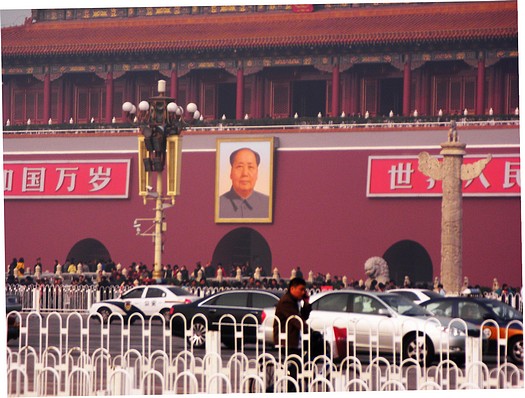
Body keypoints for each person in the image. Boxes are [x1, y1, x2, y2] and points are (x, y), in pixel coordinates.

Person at [273, 277, 321, 392]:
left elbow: (302, 317)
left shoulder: (295, 301)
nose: (303, 292)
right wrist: (311, 331)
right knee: (296, 366)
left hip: (295, 338)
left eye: (304, 289)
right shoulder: (286, 301)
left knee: (302, 363)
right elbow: (296, 320)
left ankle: (300, 385)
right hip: (287, 339)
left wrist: (307, 302)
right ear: (292, 288)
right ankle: (291, 390)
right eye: (301, 289)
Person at [219, 147, 269, 218]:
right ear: (231, 172)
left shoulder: (268, 204)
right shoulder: (217, 205)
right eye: (239, 167)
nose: (245, 173)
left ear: (257, 173)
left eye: (250, 167)